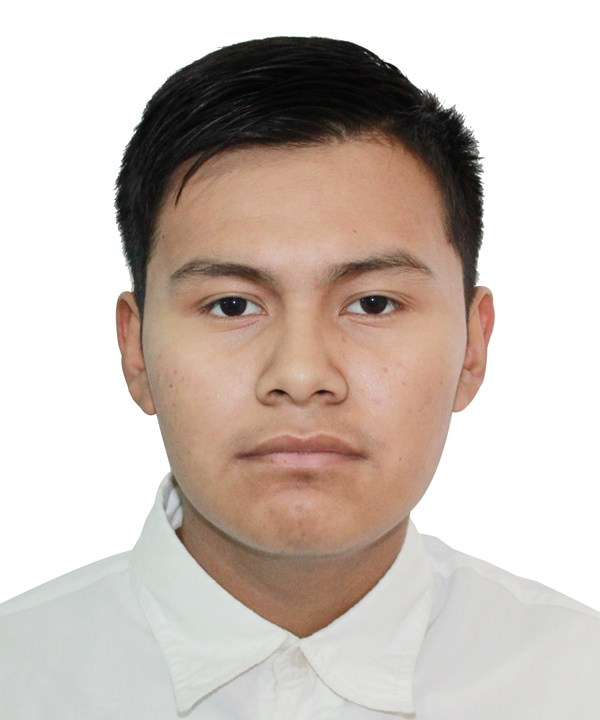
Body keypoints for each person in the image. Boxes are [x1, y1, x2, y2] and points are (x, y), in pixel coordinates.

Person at [0, 36, 598, 719]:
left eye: (373, 304)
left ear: (472, 347)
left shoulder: (578, 683)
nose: (303, 375)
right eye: (232, 305)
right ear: (135, 349)